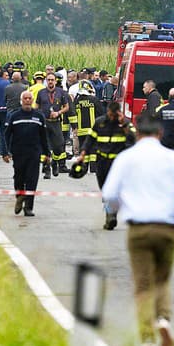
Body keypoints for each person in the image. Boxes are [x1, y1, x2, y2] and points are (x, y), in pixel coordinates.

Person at [101, 111, 174, 346]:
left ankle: (147, 340)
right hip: (166, 227)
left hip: (138, 228)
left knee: (143, 284)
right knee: (162, 279)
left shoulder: (126, 157)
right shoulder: (173, 157)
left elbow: (109, 193)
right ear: (160, 133)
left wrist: (120, 209)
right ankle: (163, 320)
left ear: (136, 132)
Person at [79, 101, 135, 229]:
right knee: (104, 188)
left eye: (114, 115)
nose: (111, 117)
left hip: (117, 163)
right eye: (110, 114)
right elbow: (90, 139)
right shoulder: (100, 122)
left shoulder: (124, 123)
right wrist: (83, 152)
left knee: (114, 189)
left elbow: (133, 138)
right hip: (102, 161)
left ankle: (111, 215)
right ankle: (111, 211)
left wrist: (123, 124)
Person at [2, 91, 51, 217]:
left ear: (32, 100)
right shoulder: (14, 116)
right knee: (19, 178)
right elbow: (6, 135)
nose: (28, 100)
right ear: (21, 100)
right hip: (18, 153)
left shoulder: (39, 116)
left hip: (34, 153)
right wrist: (5, 152)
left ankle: (28, 207)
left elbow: (44, 136)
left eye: (30, 98)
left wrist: (47, 153)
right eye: (25, 98)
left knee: (32, 180)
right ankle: (19, 197)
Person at [35, 72, 70, 179]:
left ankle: (55, 162)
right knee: (45, 147)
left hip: (56, 123)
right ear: (46, 81)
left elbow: (66, 107)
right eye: (48, 79)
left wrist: (58, 113)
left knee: (59, 146)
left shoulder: (61, 92)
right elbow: (36, 106)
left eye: (52, 80)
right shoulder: (41, 93)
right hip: (45, 122)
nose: (50, 81)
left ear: (55, 81)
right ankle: (47, 169)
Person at [72, 80, 104, 171]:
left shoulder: (76, 101)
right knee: (93, 150)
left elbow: (73, 115)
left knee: (83, 149)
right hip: (92, 130)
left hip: (81, 131)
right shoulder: (94, 100)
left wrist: (74, 127)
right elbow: (100, 114)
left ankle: (84, 167)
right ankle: (93, 168)